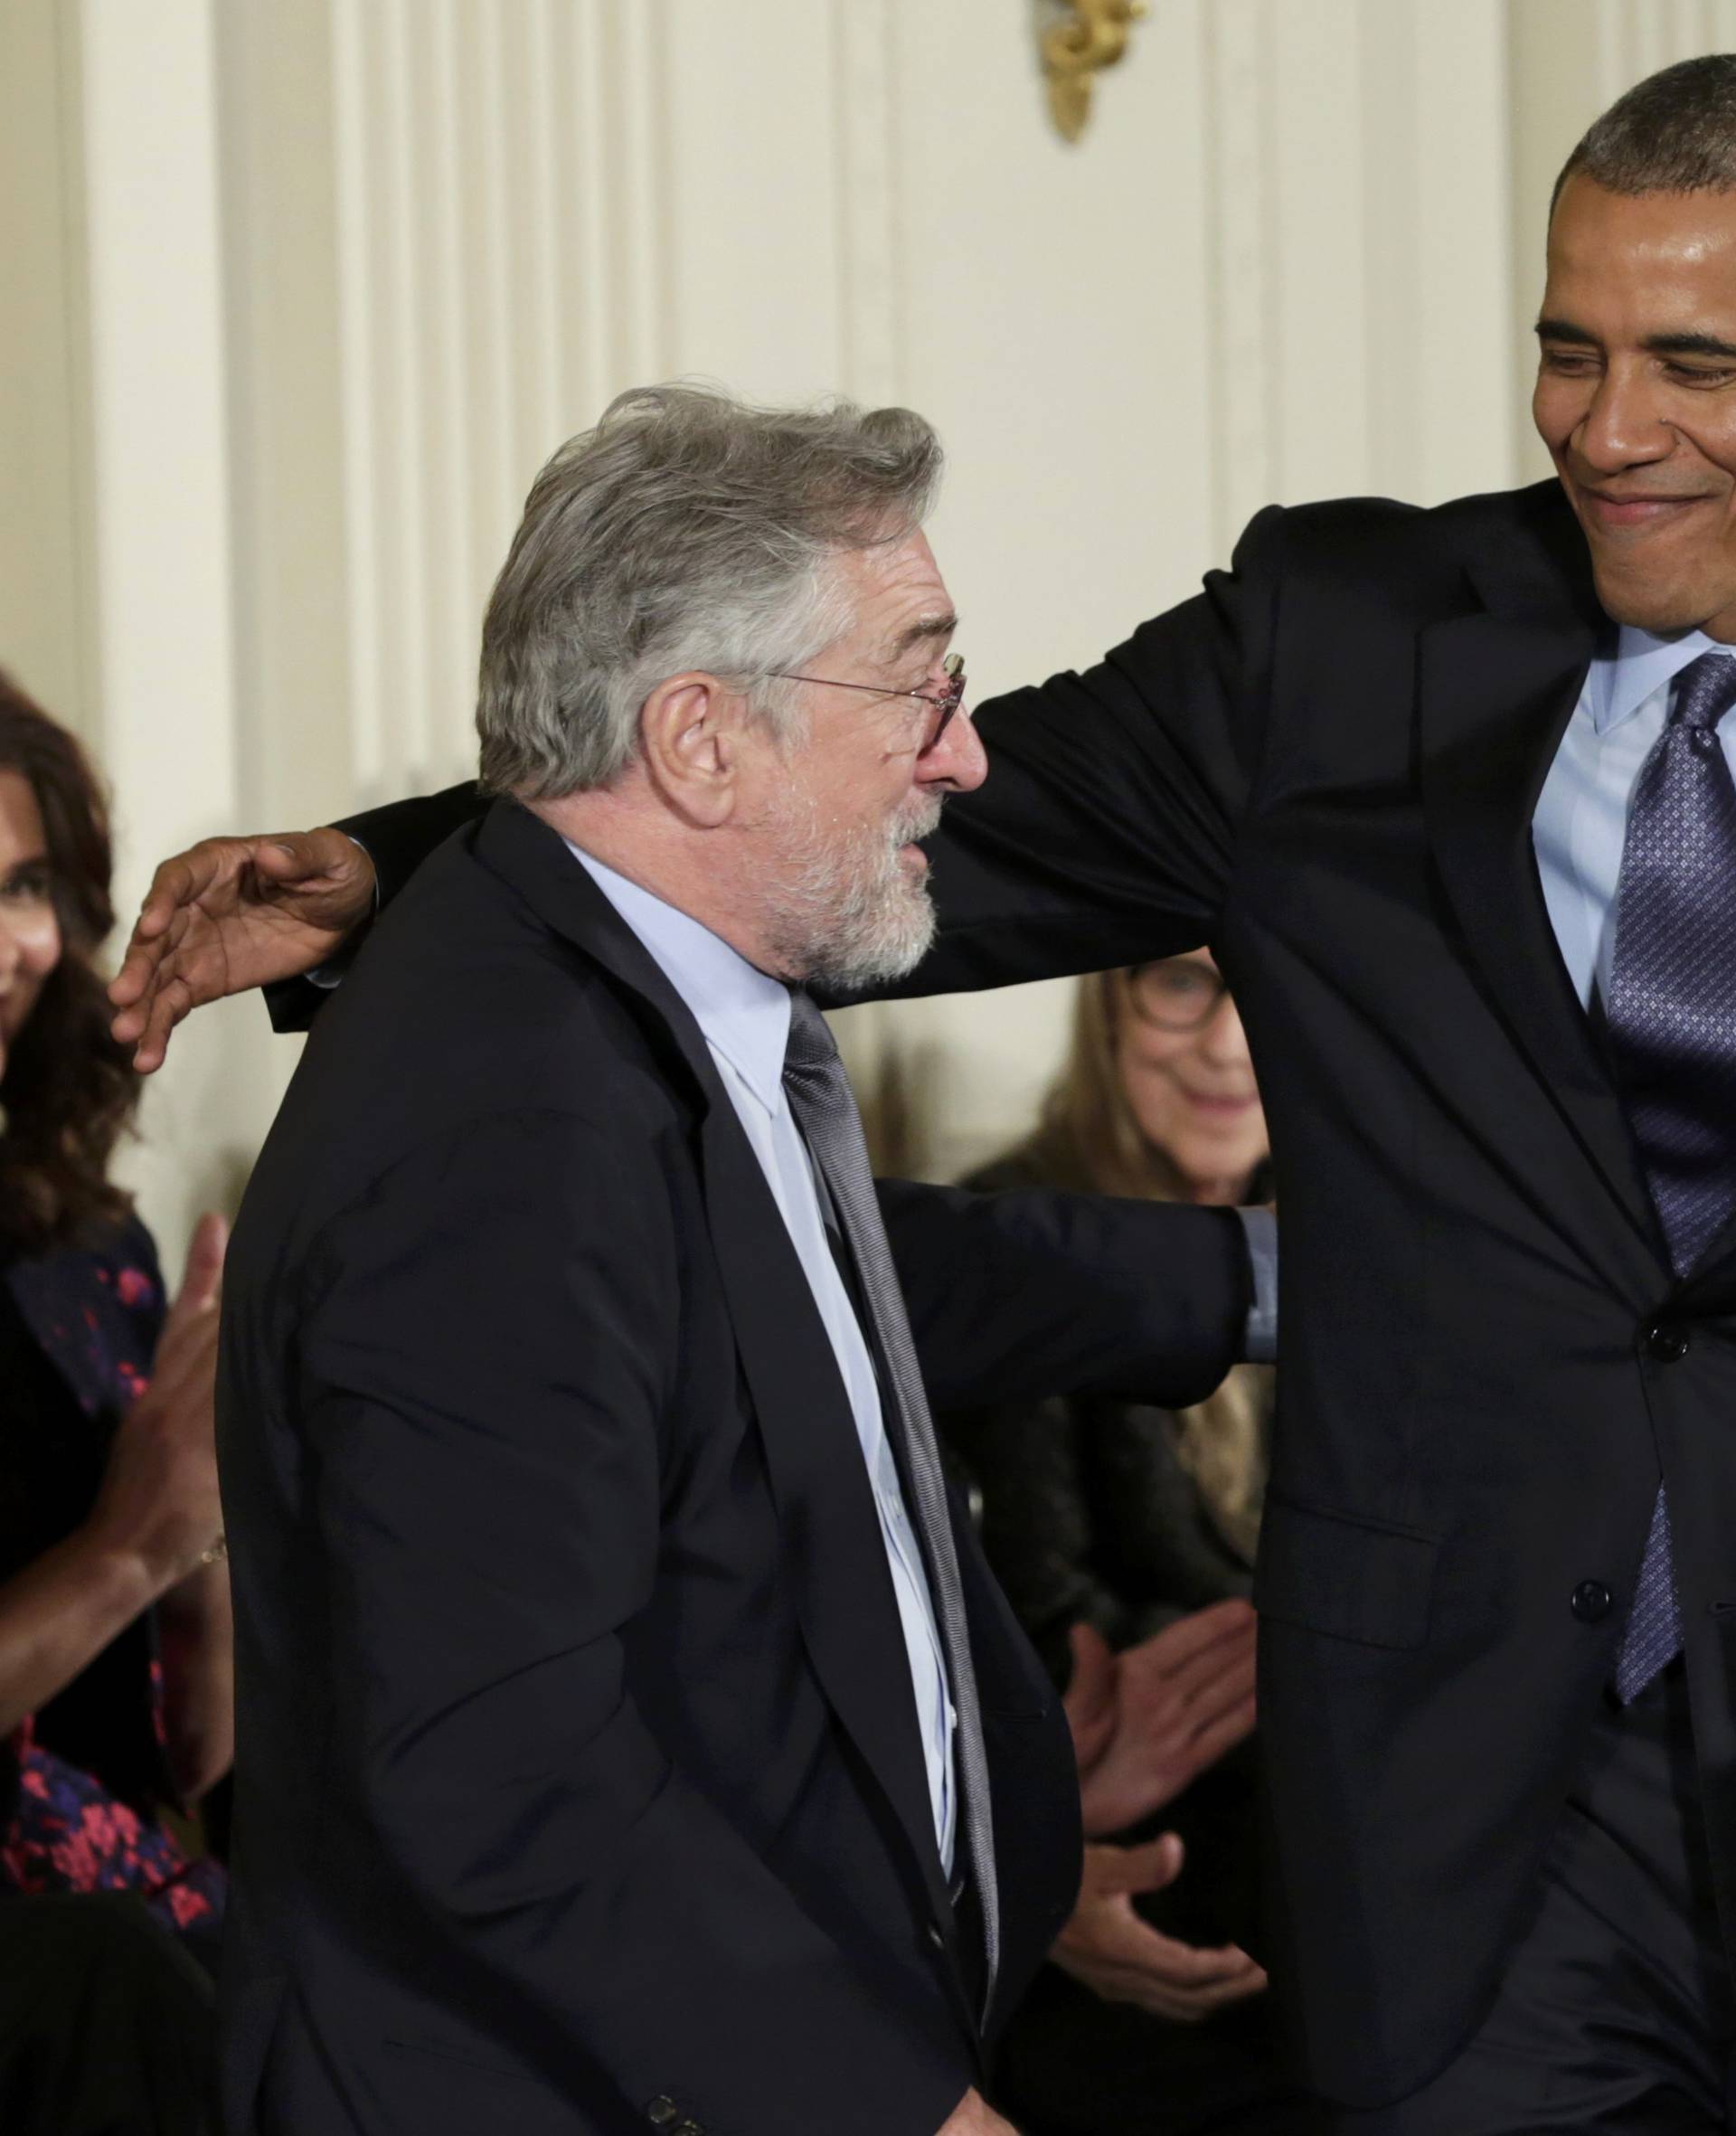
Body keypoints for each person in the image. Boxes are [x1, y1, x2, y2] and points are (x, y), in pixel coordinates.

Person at [110, 55, 1736, 2129]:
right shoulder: (1352, 635)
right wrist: (394, 870)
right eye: (1567, 351)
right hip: (1484, 1796)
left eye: (1693, 362)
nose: (1610, 428)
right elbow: (879, 809)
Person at [202, 389, 1275, 2136]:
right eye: (920, 684)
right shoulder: (502, 1116)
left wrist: (1266, 1287)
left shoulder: (622, 1000)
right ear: (701, 738)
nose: (966, 755)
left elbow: (813, 1306)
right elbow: (503, 1768)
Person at [943, 955, 1313, 2136]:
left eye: (1270, 987)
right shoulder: (1016, 1241)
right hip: (1125, 1871)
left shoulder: (1354, 1242)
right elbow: (1048, 1615)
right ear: (1107, 1003)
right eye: (1182, 985)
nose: (1230, 1045)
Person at [0, 673, 231, 2130]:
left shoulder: (91, 1249)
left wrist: (211, 1560)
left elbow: (190, 1758)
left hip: (125, 1884)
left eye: (24, 883)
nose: (8, 945)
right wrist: (132, 1548)